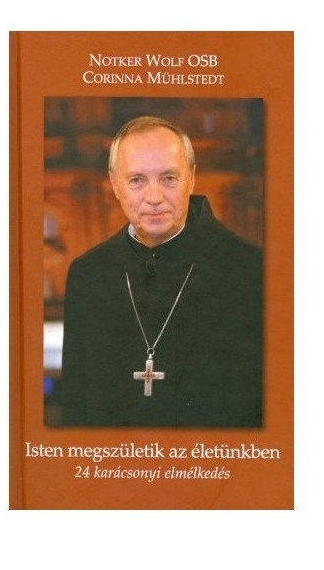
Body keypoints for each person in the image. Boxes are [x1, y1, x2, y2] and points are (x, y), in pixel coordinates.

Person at [58, 116, 262, 427]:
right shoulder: (88, 274)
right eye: (136, 180)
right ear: (114, 184)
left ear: (191, 179)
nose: (154, 198)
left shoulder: (250, 269)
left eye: (168, 178)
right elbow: (76, 407)